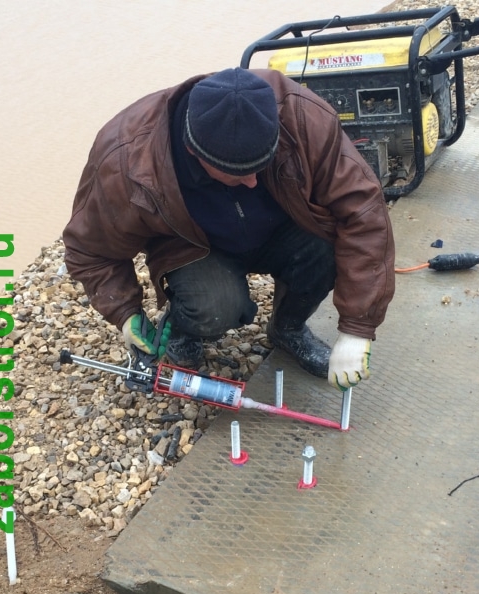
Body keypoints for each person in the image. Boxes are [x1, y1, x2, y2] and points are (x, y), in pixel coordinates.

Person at [62, 67, 395, 390]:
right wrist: (125, 312)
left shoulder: (300, 115)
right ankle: (185, 328)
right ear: (193, 150)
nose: (252, 182)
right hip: (194, 246)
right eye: (238, 174)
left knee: (329, 247)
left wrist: (357, 328)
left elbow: (364, 213)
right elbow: (90, 251)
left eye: (260, 166)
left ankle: (287, 328)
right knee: (215, 307)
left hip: (284, 228)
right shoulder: (126, 159)